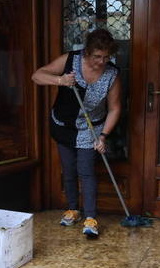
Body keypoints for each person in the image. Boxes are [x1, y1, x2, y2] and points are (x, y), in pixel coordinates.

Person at [31, 28, 121, 237]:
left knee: (86, 171)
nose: (101, 61)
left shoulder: (112, 74)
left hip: (91, 128)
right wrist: (61, 81)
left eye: (106, 57)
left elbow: (115, 108)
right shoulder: (70, 60)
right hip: (63, 124)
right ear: (87, 52)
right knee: (68, 169)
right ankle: (73, 209)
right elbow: (37, 76)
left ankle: (90, 217)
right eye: (97, 56)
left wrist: (103, 136)